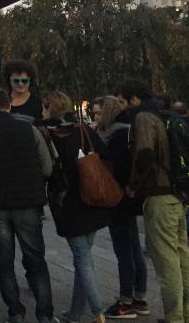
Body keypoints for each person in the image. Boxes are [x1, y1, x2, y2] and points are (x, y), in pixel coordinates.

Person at [0, 87, 57, 323]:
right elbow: (47, 167)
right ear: (9, 105)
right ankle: (45, 314)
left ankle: (15, 312)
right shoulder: (30, 130)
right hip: (28, 202)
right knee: (36, 259)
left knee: (4, 261)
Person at [121, 78, 189, 323]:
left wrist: (132, 186)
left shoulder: (143, 117)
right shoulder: (165, 113)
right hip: (178, 194)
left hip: (159, 196)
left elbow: (145, 154)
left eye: (123, 101)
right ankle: (184, 313)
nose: (123, 107)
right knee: (182, 257)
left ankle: (174, 318)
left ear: (134, 99)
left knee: (167, 262)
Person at [40, 91, 109, 323]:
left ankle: (98, 311)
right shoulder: (82, 128)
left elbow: (46, 168)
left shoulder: (47, 134)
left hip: (68, 202)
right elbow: (103, 154)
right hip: (92, 197)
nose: (42, 110)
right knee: (84, 257)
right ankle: (75, 312)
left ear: (50, 107)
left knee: (82, 258)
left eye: (44, 106)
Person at [95, 94, 149, 319]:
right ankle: (139, 297)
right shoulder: (129, 129)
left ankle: (126, 300)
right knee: (134, 247)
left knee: (124, 249)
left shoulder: (113, 135)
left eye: (97, 112)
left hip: (117, 197)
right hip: (130, 197)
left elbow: (113, 165)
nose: (94, 116)